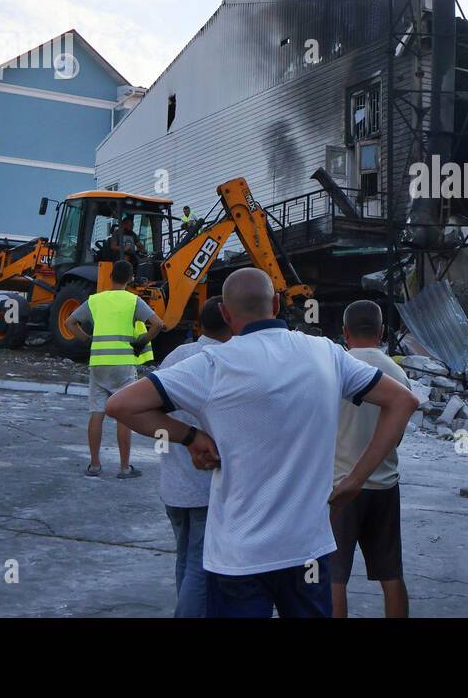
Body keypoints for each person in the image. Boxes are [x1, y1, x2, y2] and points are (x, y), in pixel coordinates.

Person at [106, 267, 419, 618]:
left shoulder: (210, 365)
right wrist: (356, 480)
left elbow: (119, 405)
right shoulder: (325, 353)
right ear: (275, 302)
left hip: (237, 558)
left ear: (225, 313)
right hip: (307, 553)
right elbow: (403, 402)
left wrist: (190, 436)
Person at [330, 300, 412, 618]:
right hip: (384, 485)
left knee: (334, 577)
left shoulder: (334, 367)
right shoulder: (396, 373)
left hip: (339, 488)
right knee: (391, 574)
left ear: (344, 332)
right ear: (381, 332)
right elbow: (398, 434)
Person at [155, 297, 230, 617]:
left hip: (173, 484)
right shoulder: (223, 361)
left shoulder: (176, 356)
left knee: (185, 559)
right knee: (202, 565)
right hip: (207, 487)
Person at [65, 259, 164, 479]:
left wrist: (88, 340)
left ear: (111, 277)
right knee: (123, 416)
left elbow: (69, 322)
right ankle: (124, 467)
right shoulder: (133, 301)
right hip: (122, 365)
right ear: (130, 278)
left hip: (98, 363)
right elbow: (158, 324)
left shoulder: (96, 300)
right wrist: (141, 341)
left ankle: (94, 465)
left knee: (96, 413)